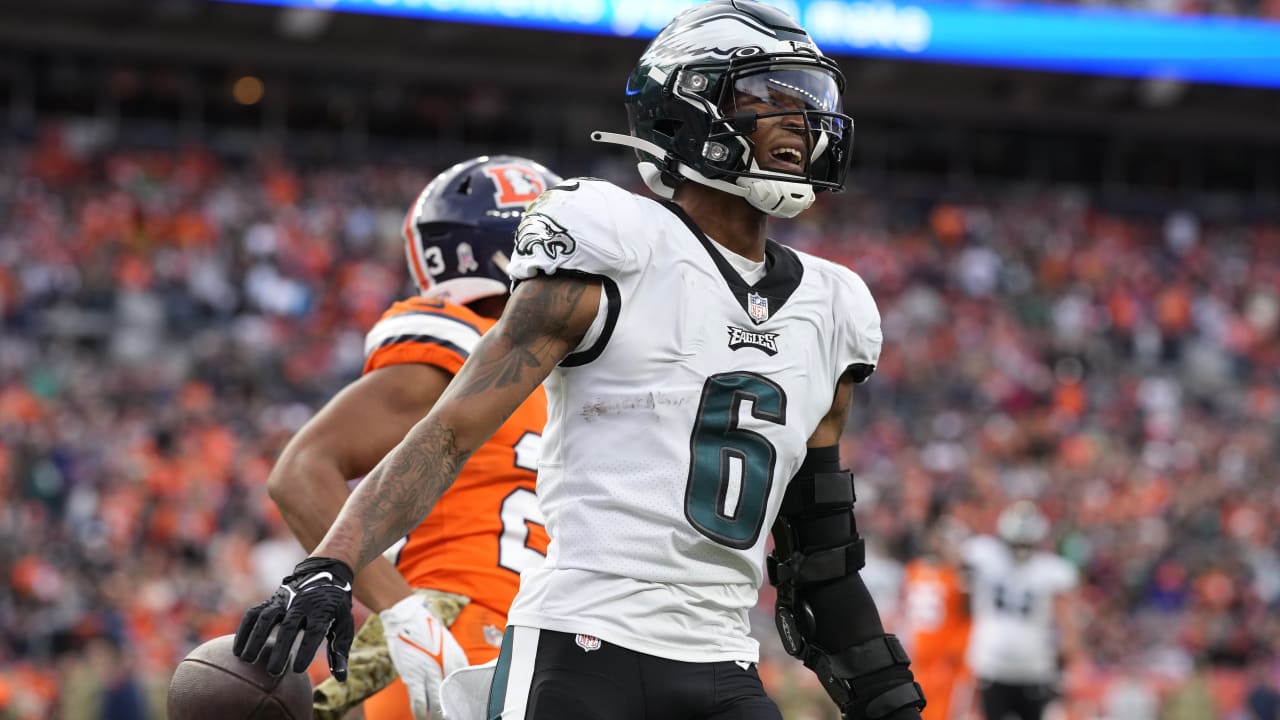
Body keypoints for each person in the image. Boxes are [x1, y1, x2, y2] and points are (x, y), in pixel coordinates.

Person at [234, 2, 926, 719]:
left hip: (722, 659)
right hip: (580, 645)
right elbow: (448, 433)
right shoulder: (612, 243)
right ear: (688, 101)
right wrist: (333, 563)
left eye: (810, 103)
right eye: (771, 95)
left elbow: (821, 564)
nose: (800, 121)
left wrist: (893, 702)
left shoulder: (832, 307)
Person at [256, 155, 562, 720]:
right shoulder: (463, 344)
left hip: (546, 646)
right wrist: (402, 612)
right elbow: (301, 472)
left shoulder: (560, 371)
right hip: (460, 641)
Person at [962, 500, 1082, 720]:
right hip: (995, 664)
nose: (1020, 549)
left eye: (1025, 544)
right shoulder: (983, 555)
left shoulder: (1048, 570)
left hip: (1029, 667)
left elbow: (1067, 625)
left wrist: (1065, 659)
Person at [900, 515, 973, 720]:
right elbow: (906, 613)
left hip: (945, 661)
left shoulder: (956, 577)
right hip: (918, 658)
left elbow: (968, 617)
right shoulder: (913, 570)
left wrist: (956, 651)